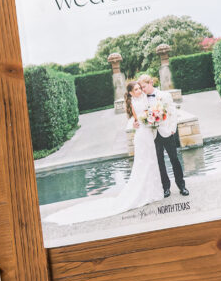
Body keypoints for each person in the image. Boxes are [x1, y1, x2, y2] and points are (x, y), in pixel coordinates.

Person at [44, 81, 165, 226]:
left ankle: (154, 191)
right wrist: (139, 122)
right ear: (131, 93)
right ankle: (144, 193)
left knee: (151, 161)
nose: (139, 91)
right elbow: (135, 118)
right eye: (136, 89)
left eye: (140, 88)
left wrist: (153, 117)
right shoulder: (132, 102)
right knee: (143, 163)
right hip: (141, 135)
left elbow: (149, 109)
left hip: (147, 134)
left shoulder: (146, 97)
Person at [136, 74, 189, 197]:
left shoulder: (164, 95)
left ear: (150, 83)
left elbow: (173, 113)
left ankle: (182, 186)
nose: (143, 89)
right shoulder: (142, 99)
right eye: (141, 87)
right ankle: (166, 188)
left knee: (174, 159)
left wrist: (172, 129)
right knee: (159, 162)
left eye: (144, 86)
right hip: (153, 134)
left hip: (167, 132)